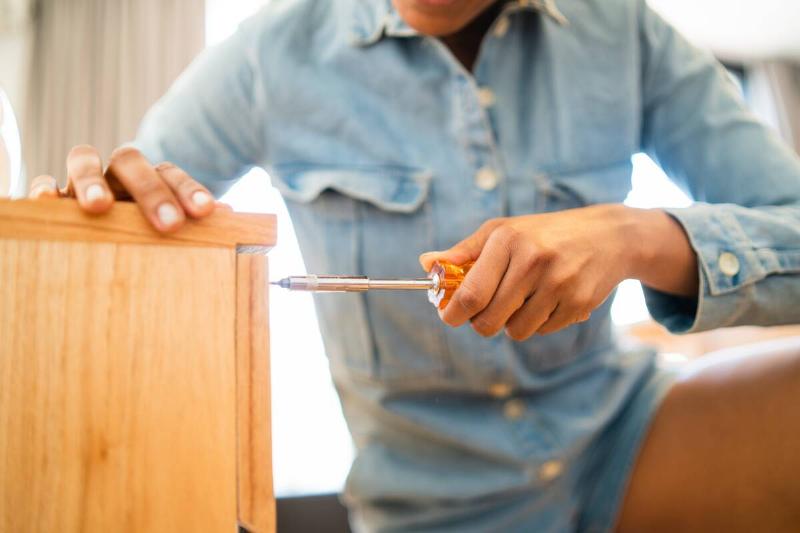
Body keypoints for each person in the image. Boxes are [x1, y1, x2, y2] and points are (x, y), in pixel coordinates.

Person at [28, 0, 800, 530]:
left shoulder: (621, 29)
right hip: (432, 508)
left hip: (627, 443)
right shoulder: (269, 54)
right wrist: (85, 237)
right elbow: (134, 220)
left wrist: (637, 237)